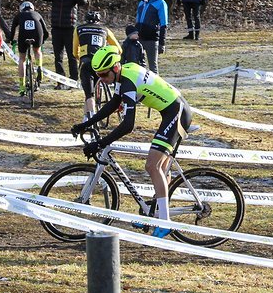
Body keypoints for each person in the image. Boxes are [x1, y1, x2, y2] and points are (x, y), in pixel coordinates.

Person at [70, 46, 192, 238]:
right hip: (171, 111)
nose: (101, 79)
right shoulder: (123, 75)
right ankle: (154, 215)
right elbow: (113, 104)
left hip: (176, 113)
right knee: (159, 168)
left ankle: (165, 222)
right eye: (98, 75)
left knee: (152, 166)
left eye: (103, 74)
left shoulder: (127, 81)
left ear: (116, 68)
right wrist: (85, 124)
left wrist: (100, 143)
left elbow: (128, 125)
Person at [40, 0, 89, 87]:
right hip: (56, 28)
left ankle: (73, 79)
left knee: (72, 55)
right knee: (58, 56)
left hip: (70, 29)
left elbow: (84, 2)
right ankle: (60, 80)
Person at [73, 10, 121, 118]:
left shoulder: (79, 29)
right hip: (102, 64)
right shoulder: (105, 30)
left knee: (89, 94)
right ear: (99, 21)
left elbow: (74, 51)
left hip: (86, 63)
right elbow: (119, 49)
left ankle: (90, 119)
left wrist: (79, 58)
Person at [10, 0, 50, 96]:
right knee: (37, 51)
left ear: (21, 9)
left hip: (23, 35)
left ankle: (22, 86)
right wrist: (42, 41)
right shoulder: (37, 14)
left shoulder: (19, 15)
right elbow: (46, 32)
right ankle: (39, 66)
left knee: (22, 59)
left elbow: (12, 29)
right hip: (37, 33)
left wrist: (11, 40)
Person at [135, 0, 168, 72]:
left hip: (152, 39)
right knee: (138, 66)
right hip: (140, 38)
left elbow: (164, 24)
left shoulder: (160, 3)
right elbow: (137, 21)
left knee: (153, 67)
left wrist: (162, 43)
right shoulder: (142, 2)